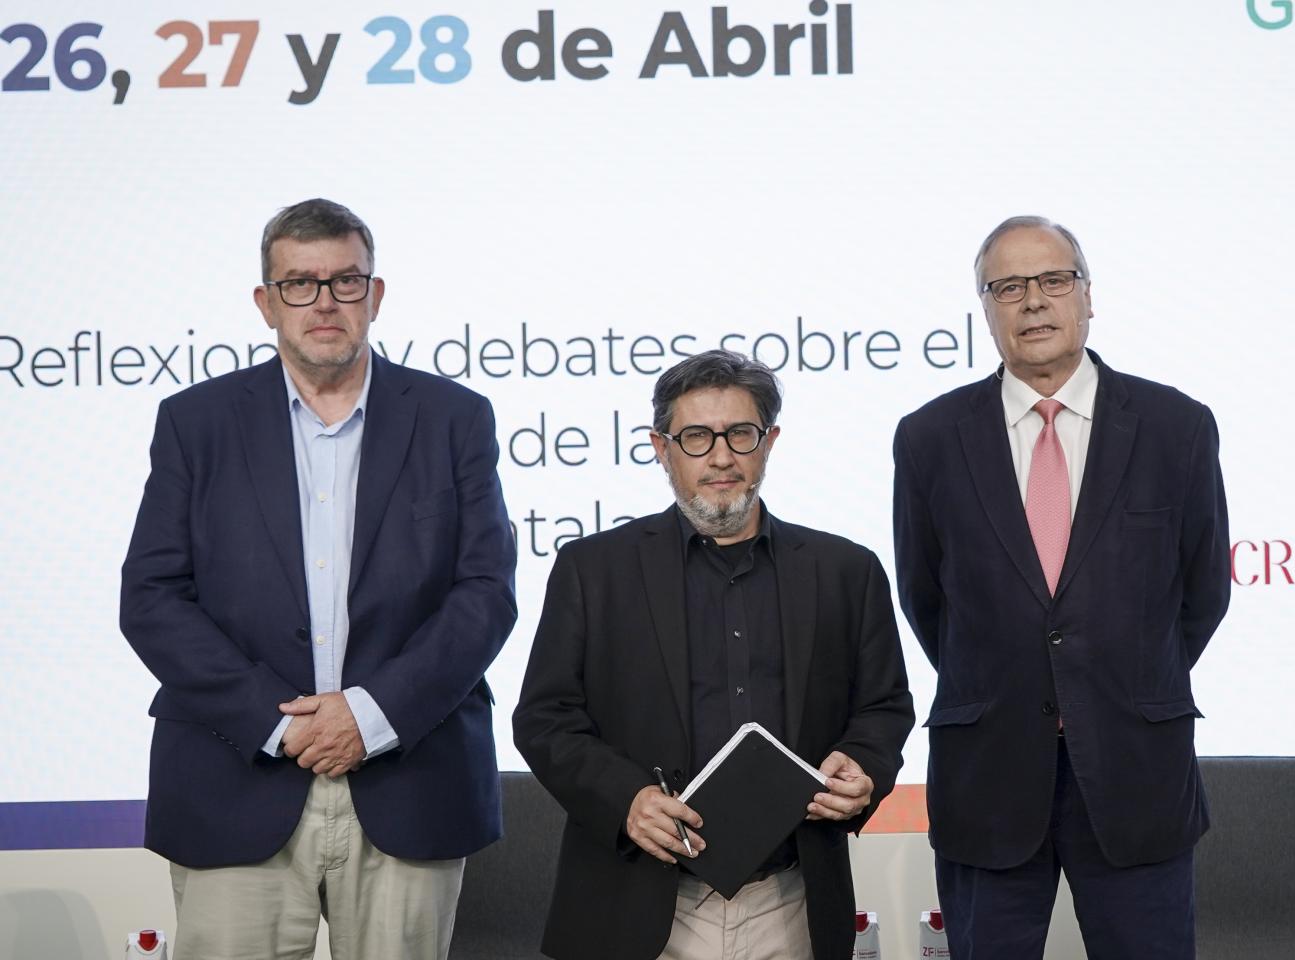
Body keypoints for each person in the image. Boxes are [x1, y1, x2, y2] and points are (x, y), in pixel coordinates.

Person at [119, 198, 518, 959]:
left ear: (376, 294)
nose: (325, 301)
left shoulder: (455, 418)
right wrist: (284, 723)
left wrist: (369, 715)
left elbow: (485, 592)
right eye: (300, 283)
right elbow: (151, 599)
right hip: (236, 776)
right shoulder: (195, 423)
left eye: (345, 280)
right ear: (266, 302)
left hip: (409, 777)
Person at [891, 216, 1230, 958]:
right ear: (986, 308)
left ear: (1087, 295)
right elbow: (926, 597)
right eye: (1009, 287)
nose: (1034, 301)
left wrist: (1121, 680)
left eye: (1053, 280)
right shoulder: (929, 438)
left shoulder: (1175, 426)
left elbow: (1203, 591)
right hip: (989, 772)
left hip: (1136, 768)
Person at [513, 349, 913, 960]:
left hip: (793, 901)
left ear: (769, 443)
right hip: (635, 901)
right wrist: (626, 800)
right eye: (696, 437)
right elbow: (545, 719)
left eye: (740, 434)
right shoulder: (593, 570)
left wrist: (864, 765)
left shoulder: (846, 571)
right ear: (661, 447)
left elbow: (884, 708)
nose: (721, 457)